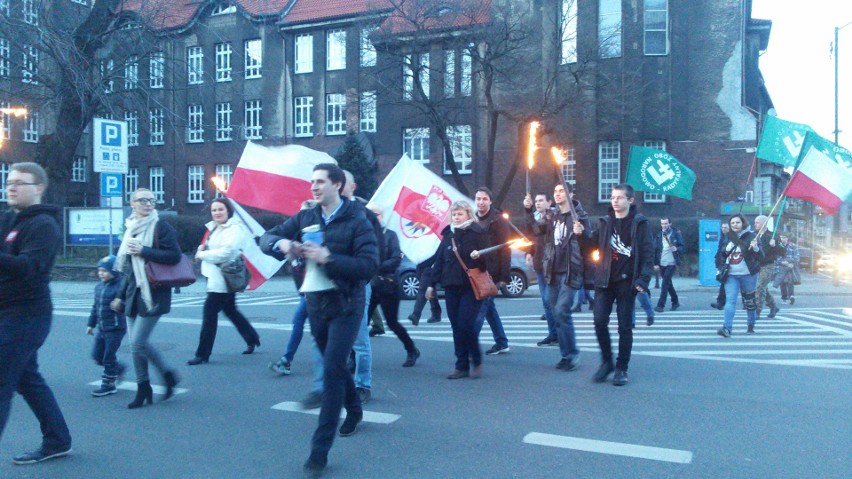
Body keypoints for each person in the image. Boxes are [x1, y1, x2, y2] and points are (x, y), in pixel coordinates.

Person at [260, 163, 379, 475]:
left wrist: (329, 258)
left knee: (331, 370)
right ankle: (354, 409)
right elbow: (266, 237)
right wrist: (280, 244)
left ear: (337, 185)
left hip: (347, 302)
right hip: (316, 302)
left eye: (320, 182)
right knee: (335, 364)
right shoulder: (306, 215)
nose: (313, 187)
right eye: (311, 182)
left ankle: (319, 452)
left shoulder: (359, 219)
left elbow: (368, 266)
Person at [0, 162, 72, 464]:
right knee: (27, 378)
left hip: (28, 316)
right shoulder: (8, 219)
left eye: (20, 182)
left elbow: (30, 268)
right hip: (7, 313)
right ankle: (58, 439)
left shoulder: (43, 225)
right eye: (9, 181)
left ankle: (57, 439)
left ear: (39, 188)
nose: (11, 186)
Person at [575, 184, 654, 386]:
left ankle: (621, 367)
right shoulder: (605, 223)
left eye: (619, 197)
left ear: (630, 200)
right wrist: (581, 234)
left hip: (628, 283)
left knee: (624, 327)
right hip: (605, 280)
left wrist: (643, 280)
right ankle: (607, 362)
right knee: (599, 321)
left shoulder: (640, 224)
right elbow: (590, 246)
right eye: (613, 197)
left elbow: (647, 253)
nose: (615, 201)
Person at [112, 188, 182, 409]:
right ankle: (151, 384)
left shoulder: (161, 226)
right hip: (134, 292)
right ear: (132, 203)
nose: (149, 204)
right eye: (143, 200)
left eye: (152, 200)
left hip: (155, 292)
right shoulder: (131, 227)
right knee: (137, 344)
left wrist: (144, 250)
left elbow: (174, 256)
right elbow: (130, 269)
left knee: (137, 343)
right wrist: (120, 296)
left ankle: (153, 383)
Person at [188, 199, 260, 365]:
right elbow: (213, 248)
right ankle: (252, 338)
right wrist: (203, 249)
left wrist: (202, 255)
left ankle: (202, 354)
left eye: (220, 209)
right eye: (214, 210)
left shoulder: (234, 229)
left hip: (223, 279)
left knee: (209, 314)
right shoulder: (214, 227)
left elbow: (227, 253)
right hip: (216, 276)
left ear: (228, 211)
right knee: (231, 310)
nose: (217, 213)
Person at [425, 201, 488, 379]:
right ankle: (461, 366)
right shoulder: (448, 235)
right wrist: (431, 284)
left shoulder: (477, 232)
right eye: (454, 214)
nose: (456, 217)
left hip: (471, 287)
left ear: (468, 214)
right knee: (456, 327)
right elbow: (438, 261)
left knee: (465, 325)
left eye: (460, 214)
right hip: (451, 286)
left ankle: (476, 358)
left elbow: (489, 261)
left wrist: (479, 257)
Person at [535, 183, 589, 371]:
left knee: (562, 309)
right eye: (555, 191)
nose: (557, 194)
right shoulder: (552, 216)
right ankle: (565, 355)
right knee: (555, 311)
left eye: (561, 191)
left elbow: (589, 243)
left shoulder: (580, 216)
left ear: (570, 194)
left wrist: (581, 233)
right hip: (552, 270)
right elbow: (536, 230)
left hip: (570, 270)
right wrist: (528, 210)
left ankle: (572, 354)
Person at [366, 204, 420, 367]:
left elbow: (396, 258)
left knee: (392, 322)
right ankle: (354, 358)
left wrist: (375, 265)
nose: (372, 217)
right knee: (362, 323)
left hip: (387, 284)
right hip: (369, 285)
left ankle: (412, 350)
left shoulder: (390, 235)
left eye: (375, 214)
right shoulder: (364, 235)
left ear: (381, 216)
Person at [270, 200, 315, 376]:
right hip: (304, 293)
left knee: (300, 323)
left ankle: (286, 361)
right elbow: (277, 251)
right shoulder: (296, 242)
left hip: (314, 294)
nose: (300, 218)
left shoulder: (313, 243)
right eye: (299, 215)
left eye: (304, 215)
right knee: (314, 329)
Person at [473, 187, 511, 355]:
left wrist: (504, 276)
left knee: (481, 308)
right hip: (478, 270)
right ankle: (501, 342)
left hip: (493, 271)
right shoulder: (473, 219)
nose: (481, 202)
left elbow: (505, 248)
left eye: (484, 199)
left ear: (490, 201)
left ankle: (469, 343)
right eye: (478, 199)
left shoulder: (498, 220)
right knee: (488, 308)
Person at [715, 214, 763, 337]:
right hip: (731, 275)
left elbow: (761, 256)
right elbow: (720, 254)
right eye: (733, 223)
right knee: (730, 300)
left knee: (749, 301)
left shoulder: (752, 236)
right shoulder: (728, 237)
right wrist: (720, 267)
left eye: (737, 223)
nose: (735, 225)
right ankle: (727, 328)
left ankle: (751, 324)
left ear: (743, 223)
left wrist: (756, 248)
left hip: (748, 274)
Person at [87, 255, 128, 397]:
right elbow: (95, 307)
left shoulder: (121, 287)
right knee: (97, 356)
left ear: (114, 271)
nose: (101, 273)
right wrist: (91, 324)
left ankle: (108, 385)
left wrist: (120, 306)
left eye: (104, 271)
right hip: (102, 328)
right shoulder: (98, 287)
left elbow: (128, 306)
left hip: (116, 328)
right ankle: (118, 368)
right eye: (99, 270)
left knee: (108, 357)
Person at [523, 192, 558, 346]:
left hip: (550, 264)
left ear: (549, 202)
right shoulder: (536, 218)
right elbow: (532, 238)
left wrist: (528, 211)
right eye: (536, 201)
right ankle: (553, 333)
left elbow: (538, 230)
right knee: (545, 302)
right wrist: (529, 253)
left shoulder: (553, 217)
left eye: (541, 200)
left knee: (549, 300)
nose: (538, 203)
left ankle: (558, 333)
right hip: (539, 264)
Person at [752, 215, 784, 319]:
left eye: (757, 222)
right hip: (756, 265)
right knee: (763, 288)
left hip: (767, 265)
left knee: (760, 287)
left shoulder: (772, 235)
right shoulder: (754, 235)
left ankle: (757, 310)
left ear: (764, 223)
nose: (755, 224)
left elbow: (783, 251)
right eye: (755, 222)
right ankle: (773, 306)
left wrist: (775, 245)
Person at [653, 217, 684, 313]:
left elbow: (682, 247)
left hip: (672, 262)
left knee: (665, 283)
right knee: (668, 284)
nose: (664, 225)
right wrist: (655, 263)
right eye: (662, 224)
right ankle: (675, 301)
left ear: (670, 223)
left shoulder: (676, 234)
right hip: (662, 262)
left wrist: (677, 249)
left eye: (666, 223)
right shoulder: (659, 235)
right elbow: (655, 250)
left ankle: (660, 305)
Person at [407, 252, 442, 325]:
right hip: (421, 264)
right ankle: (436, 313)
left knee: (423, 289)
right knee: (430, 289)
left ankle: (416, 314)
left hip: (431, 265)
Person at [774, 233, 799, 304]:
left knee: (790, 281)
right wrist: (782, 262)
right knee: (782, 283)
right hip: (781, 267)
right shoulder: (778, 246)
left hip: (790, 267)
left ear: (787, 238)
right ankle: (784, 298)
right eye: (781, 237)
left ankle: (791, 296)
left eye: (784, 237)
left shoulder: (793, 247)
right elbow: (775, 257)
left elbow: (797, 257)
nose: (782, 239)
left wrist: (792, 264)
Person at [710, 222, 730, 309]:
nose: (723, 229)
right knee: (723, 282)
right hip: (723, 264)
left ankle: (747, 303)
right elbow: (719, 251)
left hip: (729, 263)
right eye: (722, 227)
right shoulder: (722, 238)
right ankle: (720, 302)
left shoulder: (731, 238)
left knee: (742, 284)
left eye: (725, 227)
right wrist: (717, 261)